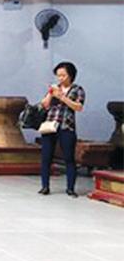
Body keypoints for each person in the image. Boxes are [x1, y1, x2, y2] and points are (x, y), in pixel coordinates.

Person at [39, 61, 86, 197]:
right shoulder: (55, 88)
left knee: (69, 158)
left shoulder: (77, 89)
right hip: (50, 125)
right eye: (58, 75)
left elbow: (78, 107)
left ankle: (70, 188)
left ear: (71, 75)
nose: (60, 78)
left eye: (63, 75)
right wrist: (50, 94)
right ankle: (45, 186)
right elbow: (44, 105)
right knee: (46, 157)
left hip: (67, 126)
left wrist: (62, 97)